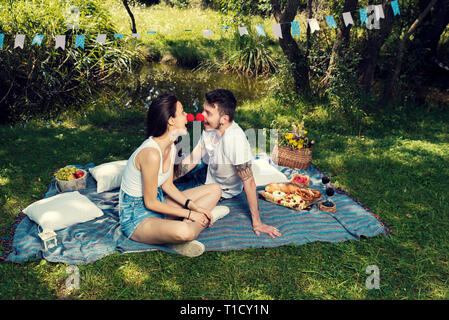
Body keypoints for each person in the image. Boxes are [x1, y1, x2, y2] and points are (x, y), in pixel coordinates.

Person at [118, 93, 229, 257]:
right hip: (137, 219)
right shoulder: (151, 153)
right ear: (170, 120)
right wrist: (191, 214)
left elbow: (167, 186)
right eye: (182, 112)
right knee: (186, 231)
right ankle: (192, 228)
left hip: (159, 203)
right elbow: (150, 203)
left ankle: (194, 221)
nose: (187, 117)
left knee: (215, 190)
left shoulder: (171, 146)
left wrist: (194, 207)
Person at [173, 89, 282, 239]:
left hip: (221, 189)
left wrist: (257, 222)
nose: (202, 116)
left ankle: (212, 208)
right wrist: (169, 178)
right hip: (206, 172)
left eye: (208, 113)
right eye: (203, 110)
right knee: (170, 177)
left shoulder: (235, 140)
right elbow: (194, 157)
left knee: (170, 202)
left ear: (224, 119)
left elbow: (249, 181)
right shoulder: (210, 127)